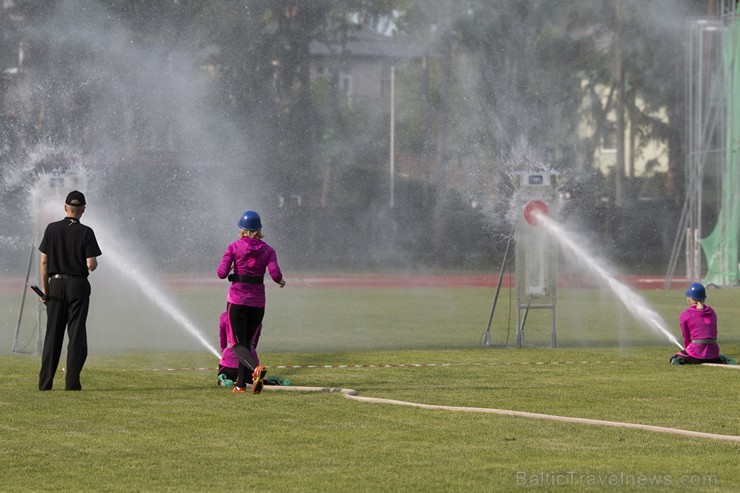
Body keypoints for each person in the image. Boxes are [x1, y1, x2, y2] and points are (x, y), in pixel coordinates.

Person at [38, 190, 102, 390]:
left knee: (52, 335)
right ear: (83, 210)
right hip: (77, 285)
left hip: (55, 285)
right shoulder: (86, 232)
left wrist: (45, 289)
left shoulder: (52, 229)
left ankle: (45, 383)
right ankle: (72, 383)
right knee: (76, 334)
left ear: (65, 208)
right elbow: (91, 264)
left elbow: (44, 261)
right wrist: (91, 265)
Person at [217, 210, 285, 394]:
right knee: (246, 344)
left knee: (238, 345)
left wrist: (232, 265)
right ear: (259, 229)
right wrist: (281, 282)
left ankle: (255, 369)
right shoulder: (268, 250)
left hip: (237, 302)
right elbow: (275, 274)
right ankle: (240, 386)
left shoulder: (233, 247)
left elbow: (221, 273)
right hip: (258, 304)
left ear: (242, 229)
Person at [670, 282, 729, 365]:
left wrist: (688, 350)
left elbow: (686, 337)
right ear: (704, 298)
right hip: (713, 354)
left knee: (675, 358)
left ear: (689, 299)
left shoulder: (685, 315)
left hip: (696, 355)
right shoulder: (712, 312)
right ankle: (721, 359)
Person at [216, 311, 263, 388]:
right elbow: (255, 343)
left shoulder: (225, 316)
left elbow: (223, 338)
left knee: (223, 378)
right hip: (251, 366)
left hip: (228, 365)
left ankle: (226, 382)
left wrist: (224, 353)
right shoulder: (257, 318)